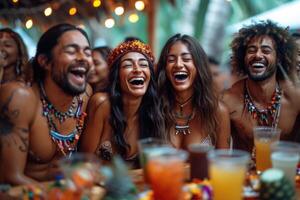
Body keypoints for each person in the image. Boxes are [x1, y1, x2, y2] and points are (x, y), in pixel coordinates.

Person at [0, 23, 93, 185]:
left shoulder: (85, 96)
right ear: (45, 61)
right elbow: (9, 178)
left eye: (87, 52)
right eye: (71, 51)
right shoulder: (19, 98)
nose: (83, 57)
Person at [80, 40, 165, 168]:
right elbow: (85, 164)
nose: (137, 69)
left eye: (143, 65)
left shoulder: (153, 109)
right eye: (127, 65)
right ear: (117, 76)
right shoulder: (102, 103)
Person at [222, 20, 300, 153]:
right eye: (251, 50)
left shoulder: (296, 98)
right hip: (245, 172)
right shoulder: (227, 100)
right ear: (243, 58)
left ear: (279, 58)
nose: (258, 55)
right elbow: (220, 152)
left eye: (266, 50)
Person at [156, 34, 231, 149]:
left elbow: (223, 162)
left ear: (198, 66)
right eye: (171, 60)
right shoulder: (154, 109)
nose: (178, 64)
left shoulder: (218, 112)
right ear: (164, 69)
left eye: (186, 59)